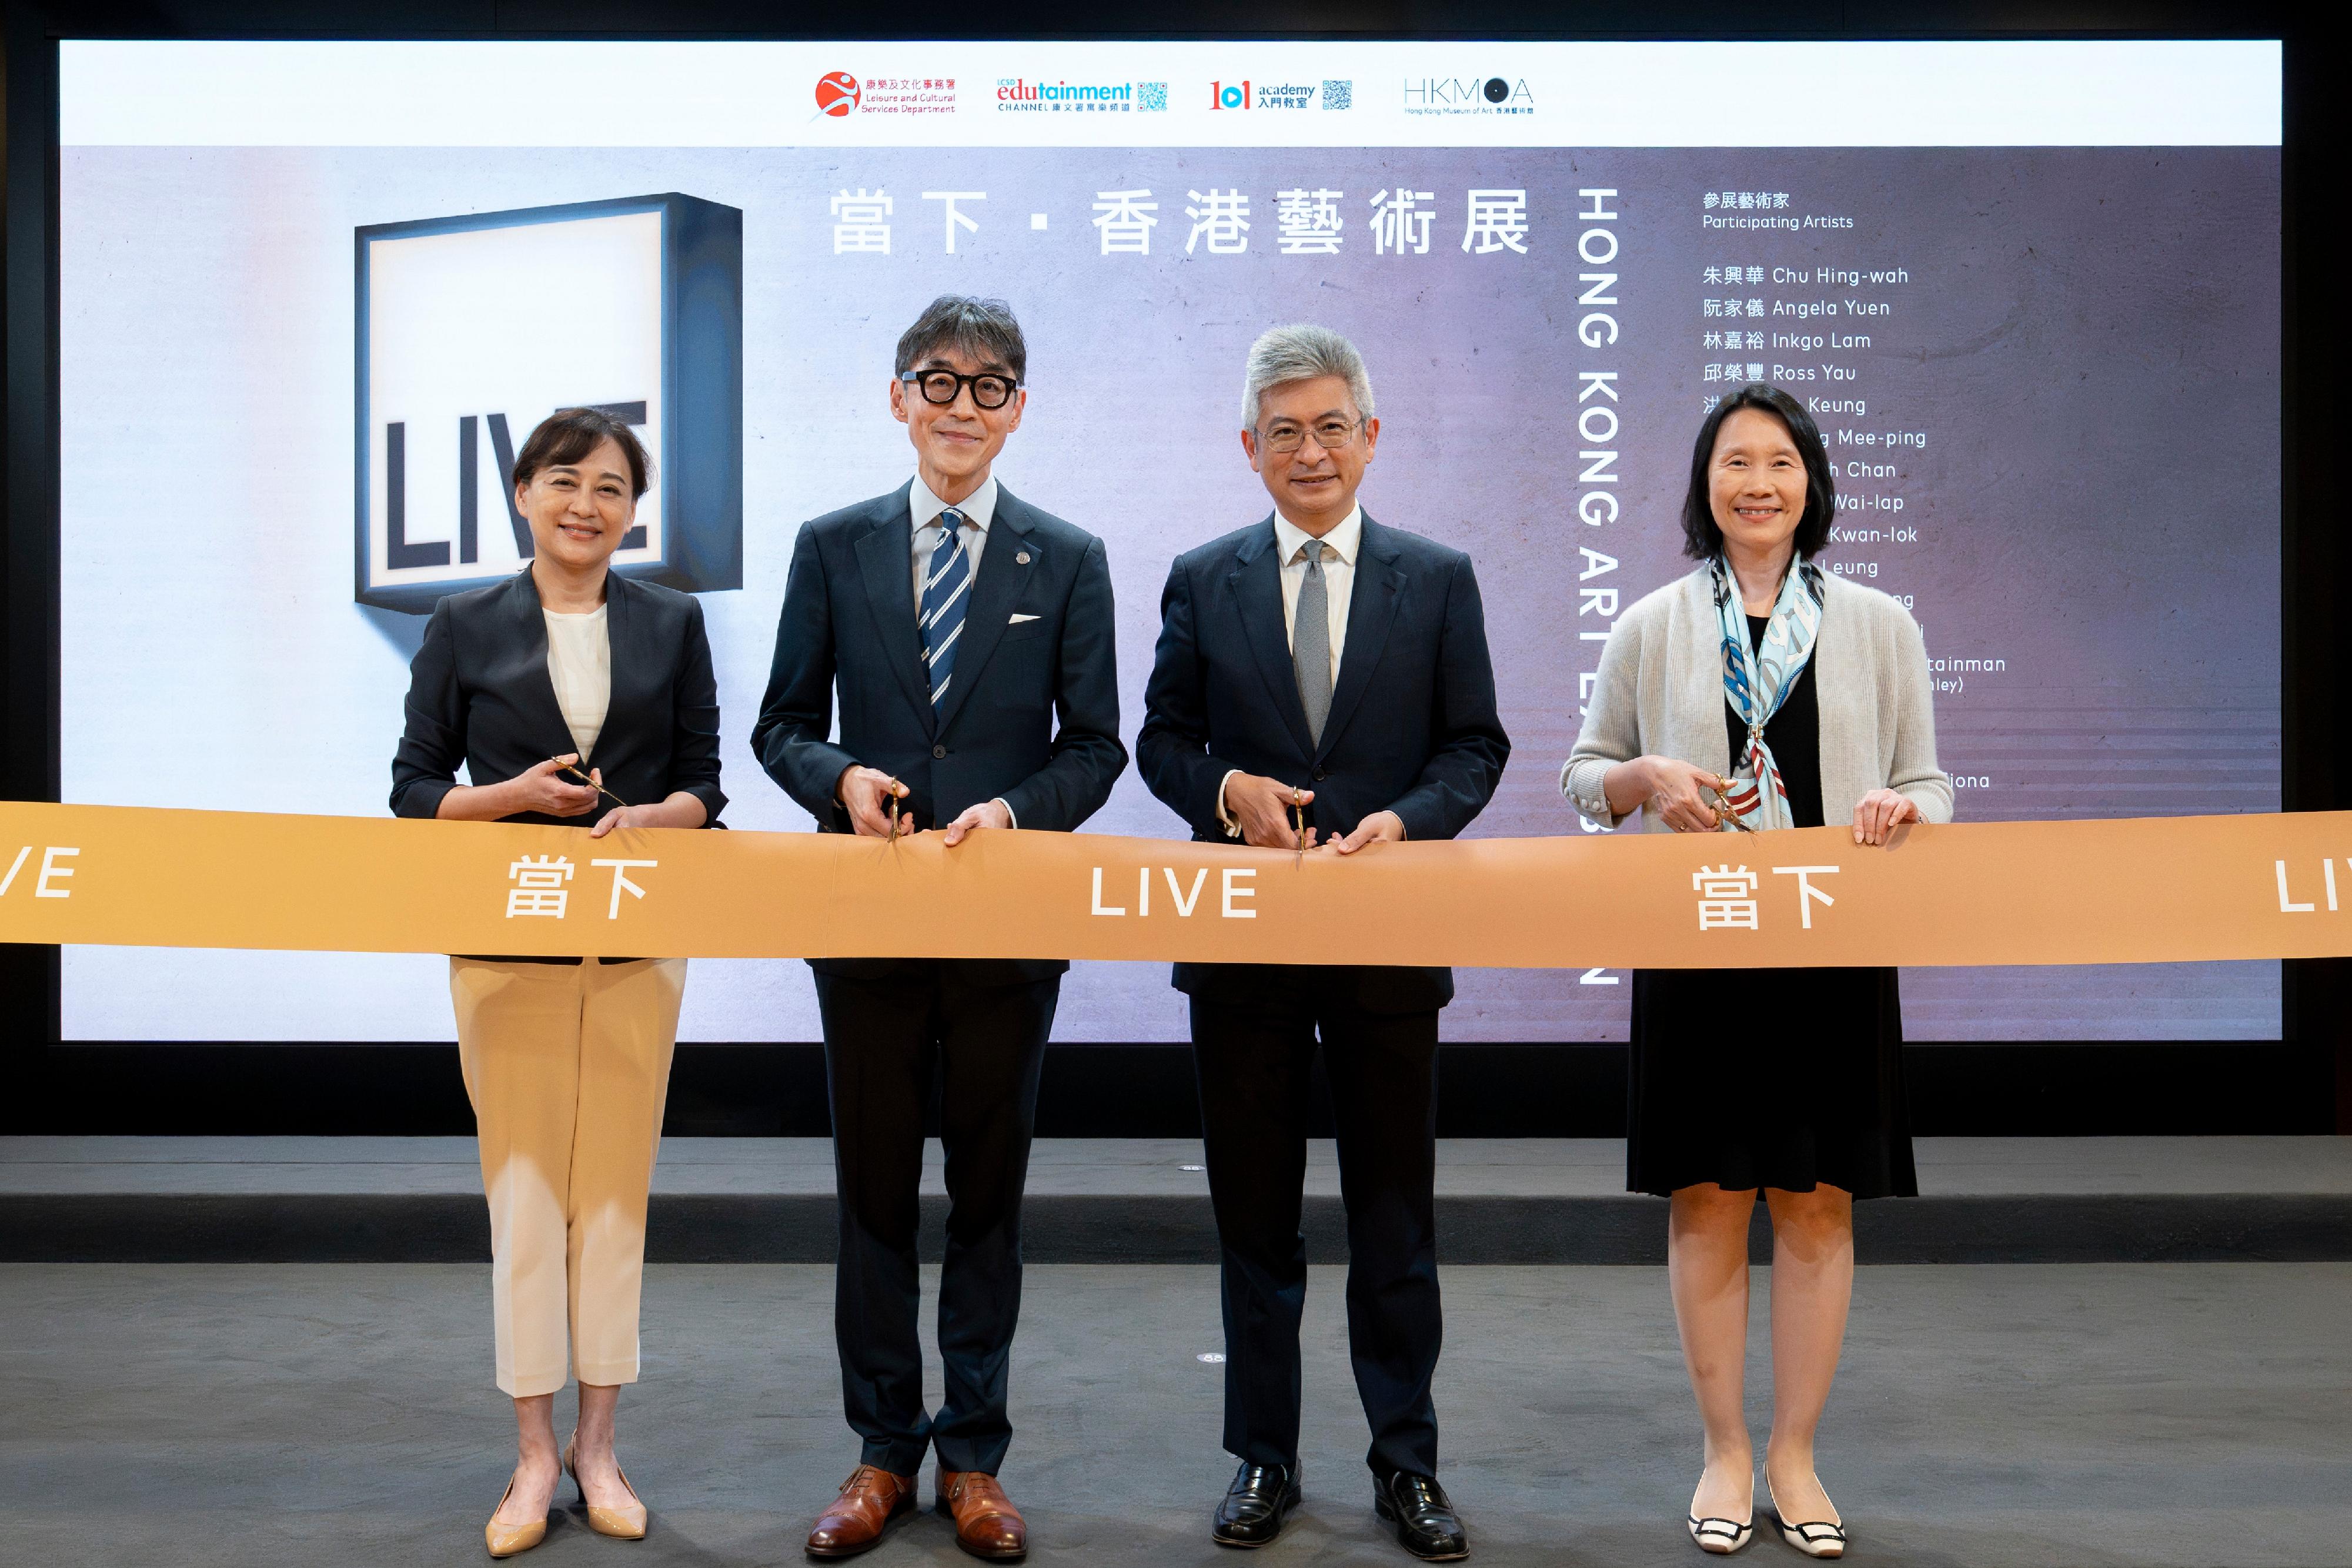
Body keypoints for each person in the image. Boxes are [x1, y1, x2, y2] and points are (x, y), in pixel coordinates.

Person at [752, 295, 1124, 1562]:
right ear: (896, 395)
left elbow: (1099, 745)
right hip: (865, 919)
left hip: (1005, 926)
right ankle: (877, 1452)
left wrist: (1023, 808)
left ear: (1017, 408)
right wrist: (839, 781)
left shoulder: (1066, 556)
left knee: (985, 1197)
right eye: (938, 381)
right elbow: (783, 722)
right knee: (869, 1196)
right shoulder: (833, 544)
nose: (961, 406)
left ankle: (971, 1454)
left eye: (988, 386)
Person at [1561, 383, 1952, 1560]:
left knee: (1818, 1199)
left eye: (1778, 461)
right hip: (1700, 943)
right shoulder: (1649, 622)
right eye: (1734, 462)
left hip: (1828, 947)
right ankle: (1723, 1446)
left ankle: (1794, 1450)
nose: (1757, 482)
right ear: (1704, 486)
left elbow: (1930, 786)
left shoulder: (1878, 622)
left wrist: (1898, 804)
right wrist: (1645, 780)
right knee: (1707, 1197)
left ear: (1809, 483)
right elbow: (1584, 778)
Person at [1137, 324, 1508, 1562]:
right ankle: (1263, 1455)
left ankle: (1406, 1462)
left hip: (1386, 939)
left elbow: (1475, 748)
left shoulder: (1435, 575)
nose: (1311, 449)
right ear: (1249, 448)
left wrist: (1406, 822)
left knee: (1393, 1217)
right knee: (1256, 1221)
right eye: (1284, 430)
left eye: (1331, 425)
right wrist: (1223, 788)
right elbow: (1160, 740)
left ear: (1370, 436)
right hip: (1240, 948)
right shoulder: (1201, 575)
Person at [390, 406, 725, 1558]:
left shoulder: (673, 622)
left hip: (636, 942)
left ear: (634, 512)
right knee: (527, 1191)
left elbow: (703, 787)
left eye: (613, 487)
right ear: (524, 492)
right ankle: (533, 1451)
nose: (588, 503)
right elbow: (413, 789)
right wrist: (510, 799)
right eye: (566, 479)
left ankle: (599, 1445)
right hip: (505, 941)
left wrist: (655, 816)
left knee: (617, 1195)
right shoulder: (461, 621)